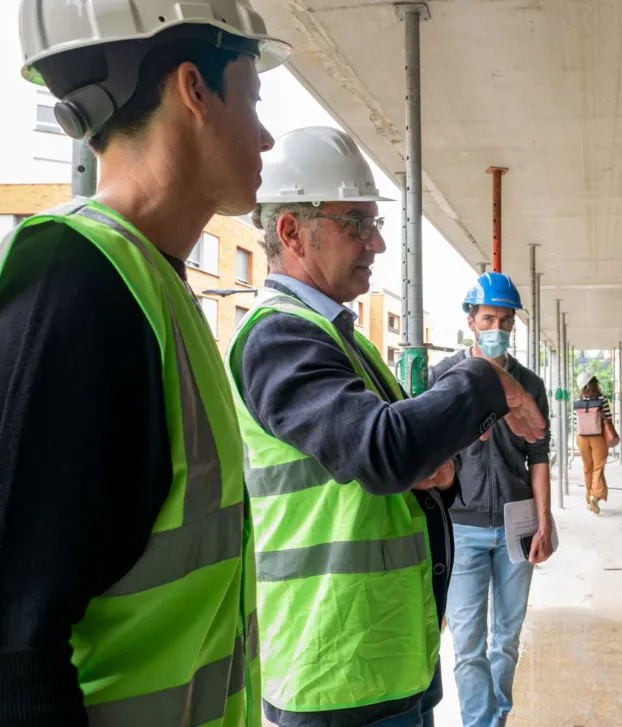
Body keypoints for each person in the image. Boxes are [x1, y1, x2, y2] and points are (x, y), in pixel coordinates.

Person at [0, 2, 289, 724]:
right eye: (255, 97)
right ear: (194, 89)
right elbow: (3, 653)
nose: (268, 134)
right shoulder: (71, 290)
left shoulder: (153, 286)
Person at [224, 127, 545, 727]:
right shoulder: (280, 336)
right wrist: (486, 381)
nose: (375, 243)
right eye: (356, 223)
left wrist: (432, 466)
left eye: (374, 224)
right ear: (291, 231)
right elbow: (385, 450)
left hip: (382, 652)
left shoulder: (339, 338)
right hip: (335, 660)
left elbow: (412, 458)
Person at [428, 272, 554, 727]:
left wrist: (545, 519)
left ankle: (495, 717)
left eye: (505, 319)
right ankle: (480, 723)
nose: (497, 327)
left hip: (517, 524)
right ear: (471, 320)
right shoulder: (443, 378)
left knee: (507, 637)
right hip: (462, 527)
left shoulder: (531, 383)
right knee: (467, 644)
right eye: (488, 318)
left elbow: (538, 454)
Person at [572, 371, 614, 514]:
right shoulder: (602, 400)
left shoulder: (576, 403)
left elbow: (574, 423)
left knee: (587, 468)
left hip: (582, 438)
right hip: (598, 438)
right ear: (594, 383)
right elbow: (608, 418)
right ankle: (594, 498)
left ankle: (589, 498)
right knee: (598, 468)